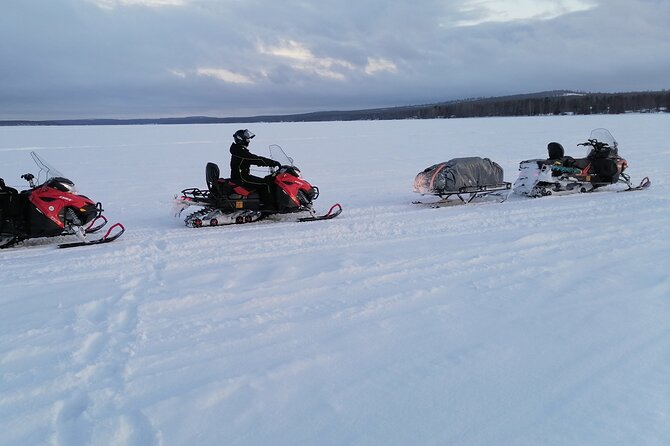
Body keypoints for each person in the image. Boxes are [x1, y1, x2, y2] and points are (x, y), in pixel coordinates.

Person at [229, 129, 281, 211]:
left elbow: (253, 159)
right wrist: (271, 162)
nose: (249, 141)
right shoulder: (240, 151)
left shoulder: (238, 149)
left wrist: (269, 162)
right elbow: (255, 159)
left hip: (241, 176)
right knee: (265, 183)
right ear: (241, 139)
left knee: (265, 180)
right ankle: (268, 207)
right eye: (247, 139)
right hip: (242, 178)